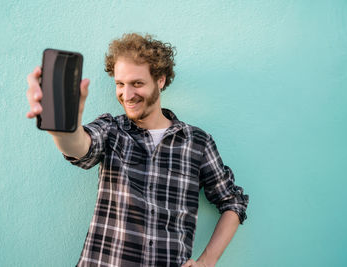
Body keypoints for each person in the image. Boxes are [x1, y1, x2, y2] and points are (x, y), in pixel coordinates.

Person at [26, 33, 249, 267]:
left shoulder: (197, 142)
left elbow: (233, 201)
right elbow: (80, 147)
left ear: (160, 80)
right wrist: (63, 128)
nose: (127, 95)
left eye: (137, 83)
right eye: (120, 84)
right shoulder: (111, 129)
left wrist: (206, 262)